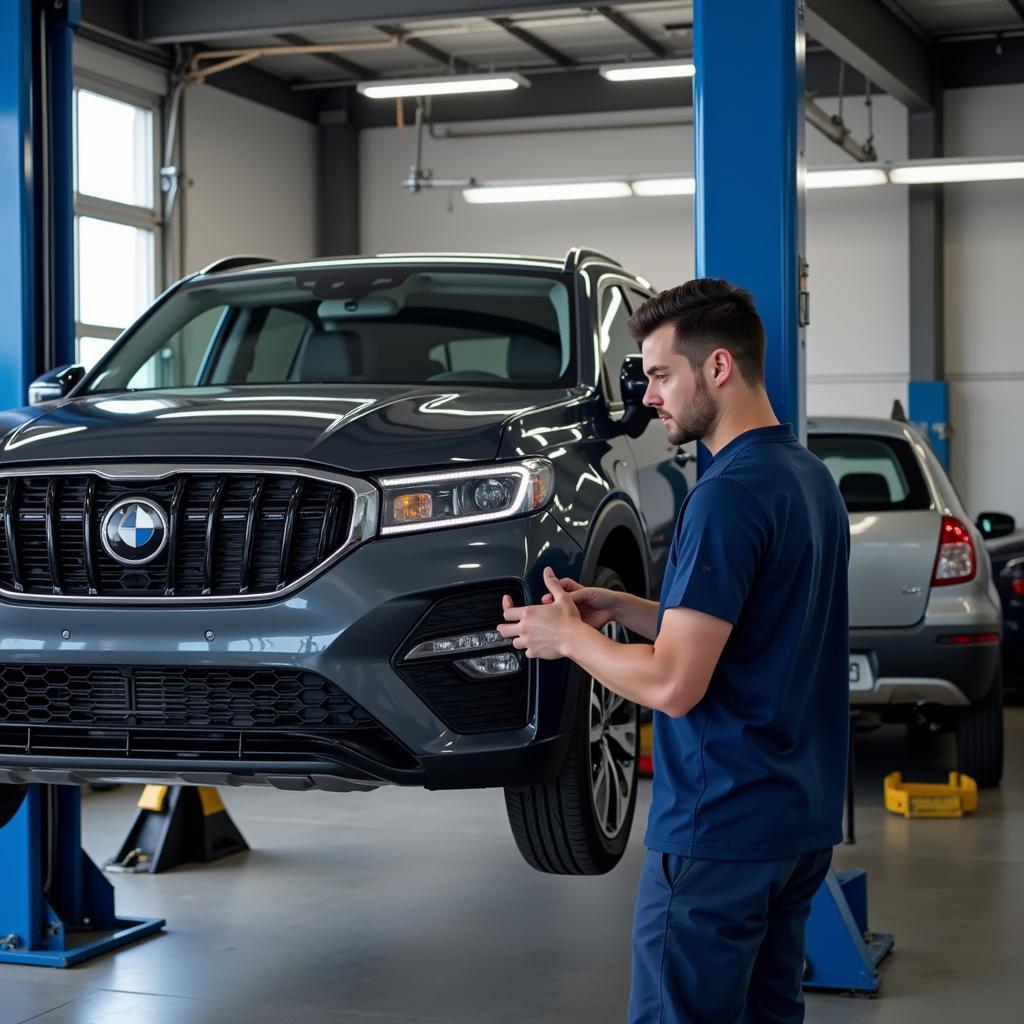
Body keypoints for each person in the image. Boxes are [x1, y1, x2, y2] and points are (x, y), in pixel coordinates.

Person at [497, 278, 850, 1024]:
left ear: (717, 367)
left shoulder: (726, 494)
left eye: (661, 375)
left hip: (718, 828)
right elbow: (753, 630)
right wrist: (627, 609)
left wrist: (571, 638)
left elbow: (674, 685)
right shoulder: (808, 479)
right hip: (794, 825)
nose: (649, 397)